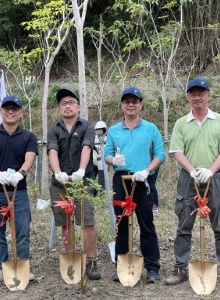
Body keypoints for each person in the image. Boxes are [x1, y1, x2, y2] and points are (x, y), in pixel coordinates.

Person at [165, 77, 220, 289]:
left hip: (213, 178)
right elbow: (177, 151)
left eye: (201, 93)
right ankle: (180, 267)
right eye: (193, 93)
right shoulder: (181, 123)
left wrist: (210, 170)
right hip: (187, 179)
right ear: (188, 97)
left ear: (208, 95)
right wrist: (192, 170)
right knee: (183, 224)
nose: (197, 97)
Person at [105, 86, 165, 283]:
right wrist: (114, 161)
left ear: (141, 105)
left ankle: (152, 267)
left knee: (146, 223)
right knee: (121, 223)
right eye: (127, 102)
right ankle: (121, 264)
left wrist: (147, 170)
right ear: (122, 105)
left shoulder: (150, 129)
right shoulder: (113, 130)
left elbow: (160, 155)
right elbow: (107, 155)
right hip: (121, 179)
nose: (130, 105)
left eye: (135, 101)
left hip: (142, 180)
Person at [0, 95, 38, 283]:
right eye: (7, 108)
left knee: (22, 230)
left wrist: (21, 173)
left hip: (18, 191)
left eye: (15, 108)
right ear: (1, 111)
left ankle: (23, 266)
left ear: (20, 112)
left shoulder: (28, 136)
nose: (10, 111)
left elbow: (30, 157)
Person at [47, 88, 101, 280]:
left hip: (82, 182)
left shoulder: (87, 126)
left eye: (71, 102)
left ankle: (91, 261)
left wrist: (81, 170)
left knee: (87, 221)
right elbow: (52, 151)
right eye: (63, 103)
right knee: (65, 223)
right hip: (60, 184)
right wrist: (57, 172)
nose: (67, 106)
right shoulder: (53, 129)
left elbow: (87, 147)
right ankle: (70, 258)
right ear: (59, 108)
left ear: (78, 106)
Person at [93, 120, 108, 190]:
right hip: (94, 162)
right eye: (97, 130)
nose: (99, 131)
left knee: (102, 181)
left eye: (100, 129)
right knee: (91, 180)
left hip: (103, 163)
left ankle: (101, 196)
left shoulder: (108, 139)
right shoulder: (93, 139)